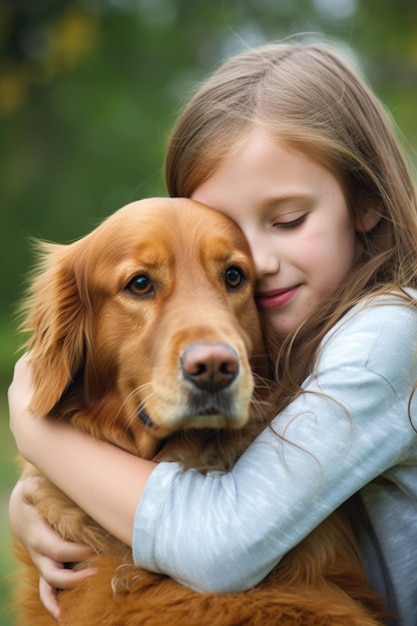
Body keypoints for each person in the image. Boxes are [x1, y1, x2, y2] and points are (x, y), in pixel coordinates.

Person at [8, 38, 417, 626]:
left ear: (365, 204)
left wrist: (35, 431)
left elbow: (223, 543)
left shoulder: (388, 336)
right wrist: (35, 500)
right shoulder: (289, 316)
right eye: (142, 286)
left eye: (287, 220)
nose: (263, 261)